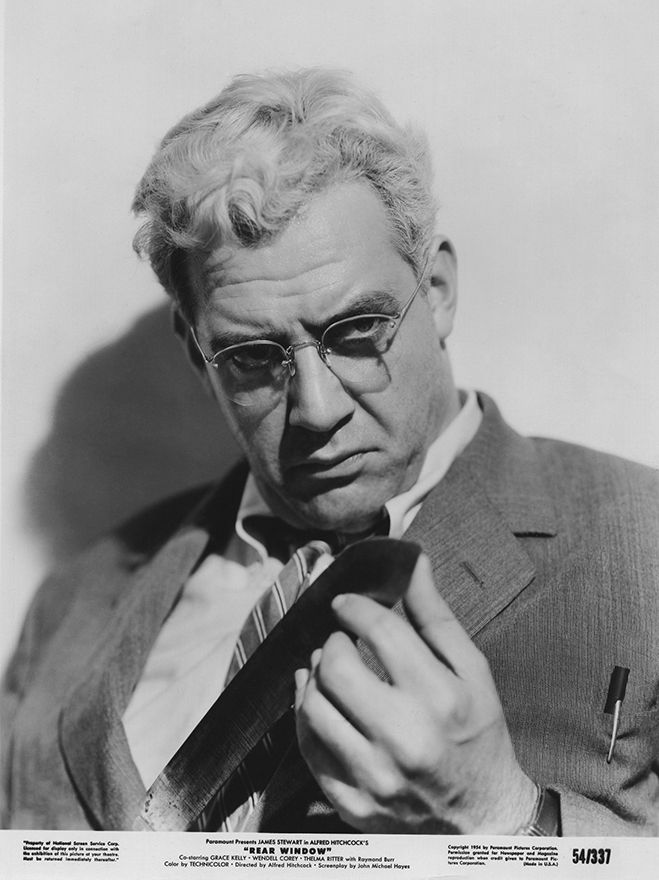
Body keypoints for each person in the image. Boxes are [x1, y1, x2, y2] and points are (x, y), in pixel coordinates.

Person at [2, 68, 657, 836]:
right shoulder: (69, 606)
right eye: (252, 357)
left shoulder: (642, 543)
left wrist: (507, 819)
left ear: (438, 289)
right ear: (195, 353)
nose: (316, 409)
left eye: (356, 331)